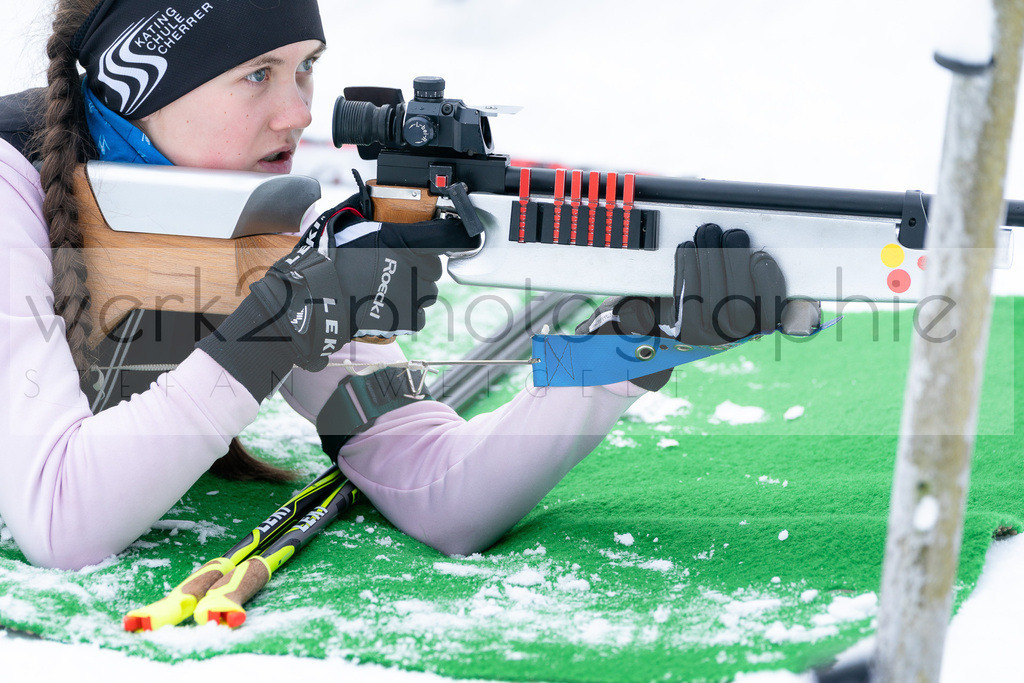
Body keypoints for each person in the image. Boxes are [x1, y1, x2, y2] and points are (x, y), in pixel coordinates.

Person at [0, 0, 787, 571]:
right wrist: (279, 325)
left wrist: (627, 352)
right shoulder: (10, 186)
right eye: (257, 75)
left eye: (307, 67)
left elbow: (441, 490)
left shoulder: (254, 215)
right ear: (140, 86)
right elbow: (62, 523)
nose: (297, 113)